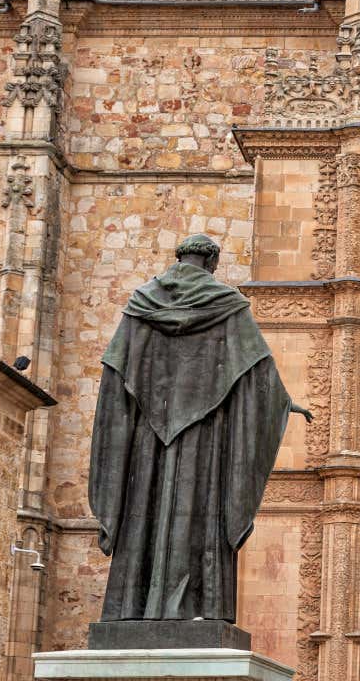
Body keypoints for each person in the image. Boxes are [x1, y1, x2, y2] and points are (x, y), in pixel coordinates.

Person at [89, 234, 310, 622]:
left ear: (179, 258)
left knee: (146, 509)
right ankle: (193, 606)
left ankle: (134, 607)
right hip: (204, 438)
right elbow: (258, 374)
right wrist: (284, 403)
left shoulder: (141, 304)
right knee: (198, 514)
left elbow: (116, 373)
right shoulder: (227, 306)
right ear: (212, 263)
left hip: (148, 440)